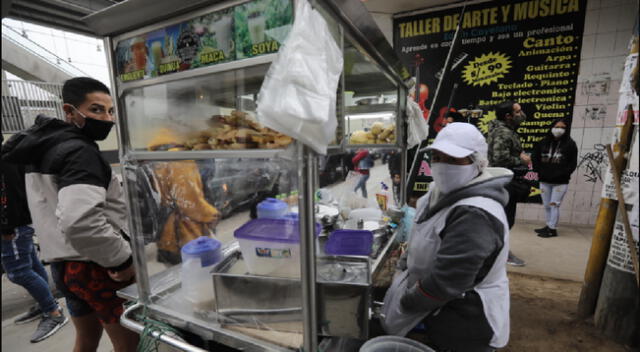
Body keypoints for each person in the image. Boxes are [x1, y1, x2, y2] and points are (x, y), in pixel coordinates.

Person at [1, 77, 139, 352]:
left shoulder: (41, 148)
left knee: (86, 341)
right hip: (97, 267)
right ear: (69, 111)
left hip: (63, 267)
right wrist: (122, 261)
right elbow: (81, 222)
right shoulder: (79, 152)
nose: (106, 118)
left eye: (110, 111)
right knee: (128, 345)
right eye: (96, 109)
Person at [382, 123, 511, 352]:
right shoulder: (436, 193)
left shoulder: (475, 213)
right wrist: (404, 266)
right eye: (437, 156)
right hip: (434, 306)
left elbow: (447, 282)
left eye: (453, 159)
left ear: (478, 163)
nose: (442, 165)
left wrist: (405, 301)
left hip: (465, 320)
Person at [0, 141, 68, 343]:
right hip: (19, 222)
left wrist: (6, 226)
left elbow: (8, 195)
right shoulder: (10, 155)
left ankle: (53, 312)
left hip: (13, 225)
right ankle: (47, 303)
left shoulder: (4, 159)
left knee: (18, 272)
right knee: (31, 264)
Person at [146, 128, 221, 265]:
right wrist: (212, 215)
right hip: (186, 233)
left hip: (166, 232)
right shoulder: (179, 157)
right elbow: (189, 201)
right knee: (196, 276)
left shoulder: (158, 152)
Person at [487, 100, 530, 267]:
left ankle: (495, 250)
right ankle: (499, 252)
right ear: (508, 116)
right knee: (504, 220)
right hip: (503, 181)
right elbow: (498, 159)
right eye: (518, 112)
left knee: (504, 219)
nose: (521, 115)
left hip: (505, 180)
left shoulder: (506, 130)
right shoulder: (503, 133)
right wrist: (520, 158)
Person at [531, 118, 578, 238]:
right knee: (547, 205)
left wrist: (563, 174)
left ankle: (552, 229)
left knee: (554, 205)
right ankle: (548, 225)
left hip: (560, 183)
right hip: (544, 181)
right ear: (551, 128)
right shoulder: (542, 143)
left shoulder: (570, 144)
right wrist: (539, 171)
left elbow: (572, 164)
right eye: (557, 127)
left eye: (563, 128)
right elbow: (535, 157)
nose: (559, 130)